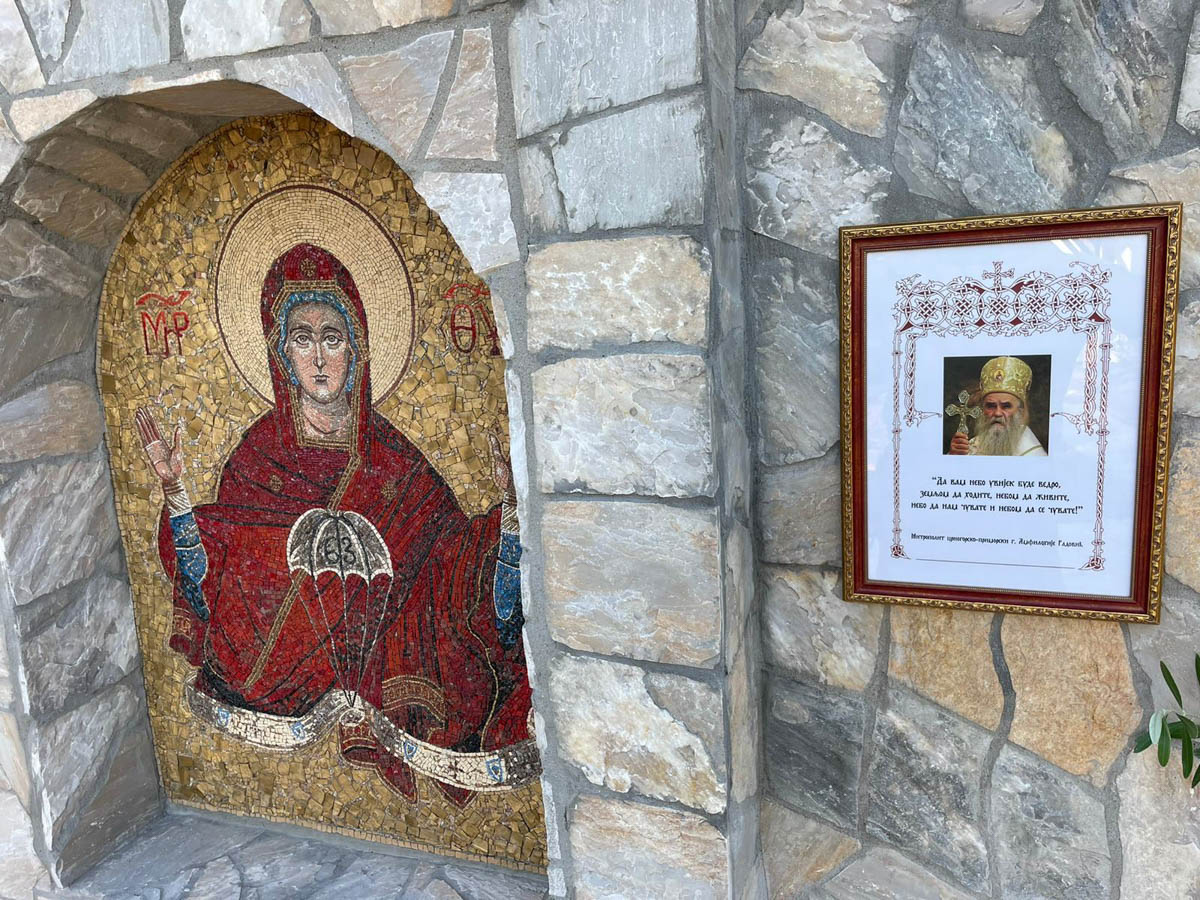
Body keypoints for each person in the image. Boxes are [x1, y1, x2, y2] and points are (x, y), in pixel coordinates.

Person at [136, 242, 535, 806]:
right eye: (303, 339)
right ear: (282, 353)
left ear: (357, 347)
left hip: (382, 674)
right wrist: (176, 494)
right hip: (271, 686)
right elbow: (215, 580)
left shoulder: (395, 461)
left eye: (332, 337)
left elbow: (454, 570)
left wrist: (511, 516)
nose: (319, 358)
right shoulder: (257, 457)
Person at [948, 356, 1047, 457]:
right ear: (982, 409)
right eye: (991, 406)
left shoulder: (1032, 453)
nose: (997, 413)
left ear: (1020, 411)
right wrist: (954, 457)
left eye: (1006, 406)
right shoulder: (973, 446)